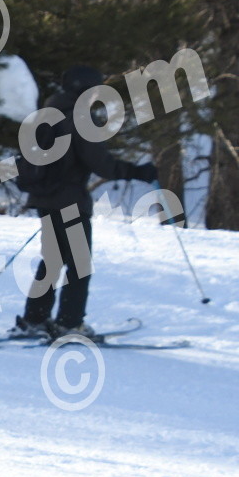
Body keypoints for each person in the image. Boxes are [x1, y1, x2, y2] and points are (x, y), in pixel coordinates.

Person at [10, 65, 158, 340]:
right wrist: (139, 172)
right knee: (79, 265)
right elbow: (101, 163)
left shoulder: (47, 113)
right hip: (69, 201)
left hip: (44, 198)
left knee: (52, 261)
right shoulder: (79, 118)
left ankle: (35, 319)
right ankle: (70, 324)